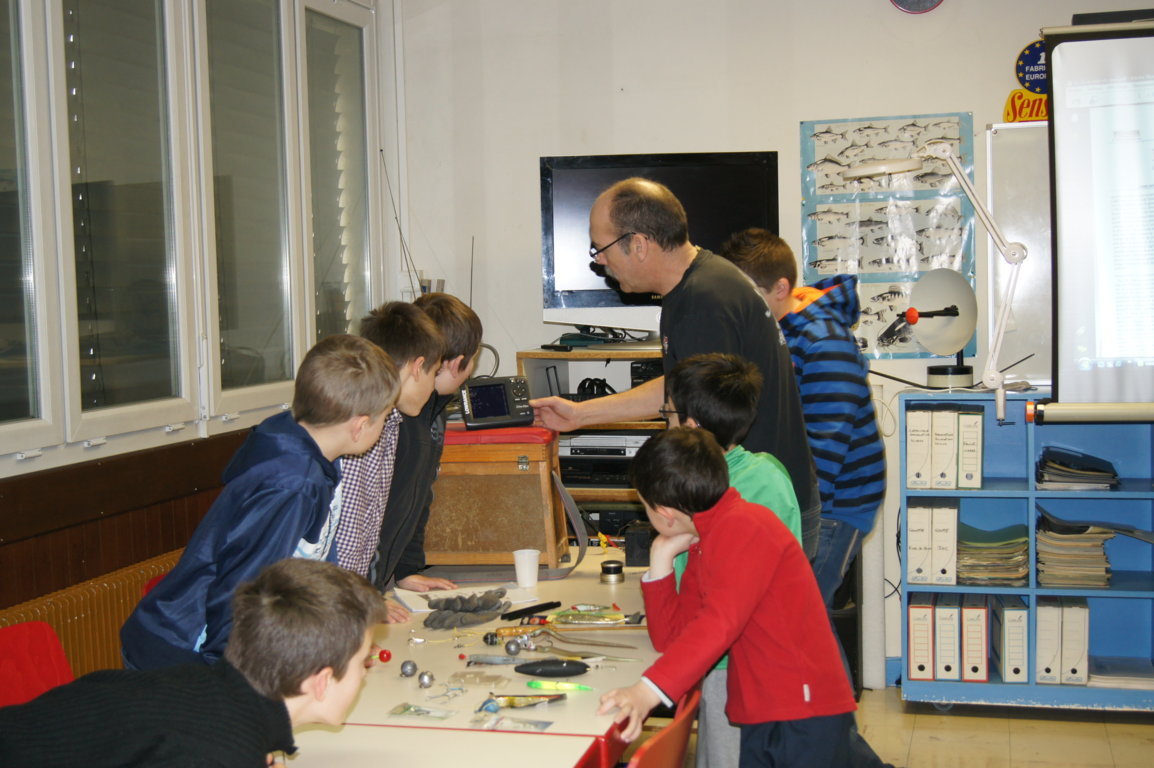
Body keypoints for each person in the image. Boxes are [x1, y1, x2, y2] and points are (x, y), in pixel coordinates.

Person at [530, 178, 821, 557]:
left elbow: (695, 420)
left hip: (758, 511)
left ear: (638, 244)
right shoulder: (699, 285)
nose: (598, 260)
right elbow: (680, 389)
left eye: (599, 248)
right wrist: (580, 414)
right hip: (759, 503)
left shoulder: (706, 301)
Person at [597, 428, 891, 768]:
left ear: (664, 513)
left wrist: (647, 692)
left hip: (802, 708)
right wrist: (661, 556)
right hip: (764, 707)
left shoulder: (745, 526)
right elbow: (671, 638)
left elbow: (718, 623)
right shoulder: (707, 537)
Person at [120, 334, 397, 670]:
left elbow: (310, 569)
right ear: (360, 425)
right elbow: (242, 590)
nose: (384, 427)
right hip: (186, 652)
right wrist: (231, 684)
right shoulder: (293, 484)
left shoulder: (318, 451)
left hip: (214, 646)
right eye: (384, 418)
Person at [2, 558, 388, 768]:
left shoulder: (202, 688)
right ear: (320, 682)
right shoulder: (217, 751)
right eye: (361, 663)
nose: (366, 672)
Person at [719, 229, 885, 617]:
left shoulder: (823, 340)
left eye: (748, 296)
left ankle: (828, 682)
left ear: (780, 288)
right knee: (793, 615)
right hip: (803, 498)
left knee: (800, 616)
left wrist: (798, 517)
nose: (740, 306)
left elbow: (828, 441)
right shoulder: (779, 331)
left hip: (833, 506)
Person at [663, 352, 801, 768]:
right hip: (716, 656)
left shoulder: (754, 486)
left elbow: (730, 607)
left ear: (691, 425)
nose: (664, 423)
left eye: (667, 415)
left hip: (738, 663)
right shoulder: (721, 478)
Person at [333, 301, 447, 622]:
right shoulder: (361, 431)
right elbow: (348, 538)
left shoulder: (392, 422)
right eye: (434, 374)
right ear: (416, 367)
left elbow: (371, 534)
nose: (433, 387)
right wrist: (363, 600)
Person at [371, 292, 483, 601]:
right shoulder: (397, 422)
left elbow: (417, 498)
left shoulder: (432, 411)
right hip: (358, 591)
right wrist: (366, 595)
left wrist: (407, 570)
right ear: (457, 362)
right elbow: (370, 517)